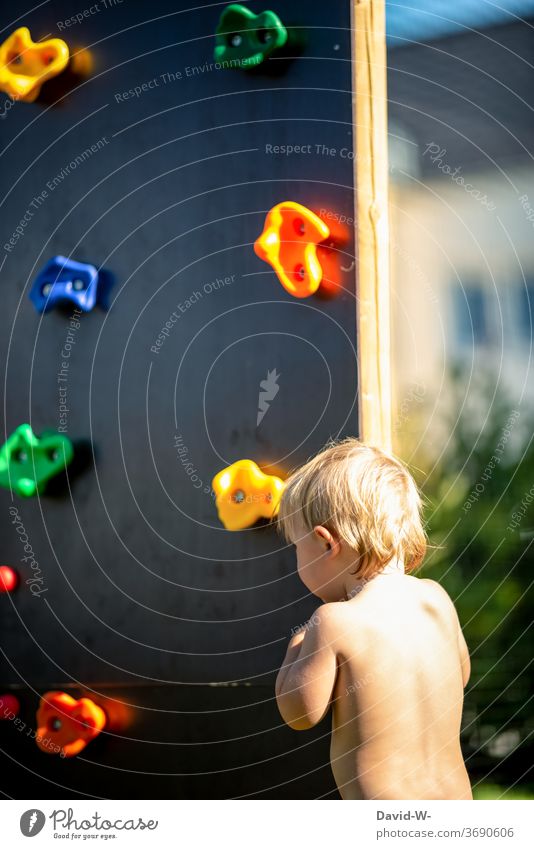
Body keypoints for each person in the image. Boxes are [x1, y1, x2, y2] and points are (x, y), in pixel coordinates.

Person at [275, 438, 472, 800]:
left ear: (325, 543)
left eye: (296, 547)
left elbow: (299, 713)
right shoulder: (436, 598)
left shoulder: (333, 622)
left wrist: (296, 651)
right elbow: (460, 675)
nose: (297, 558)